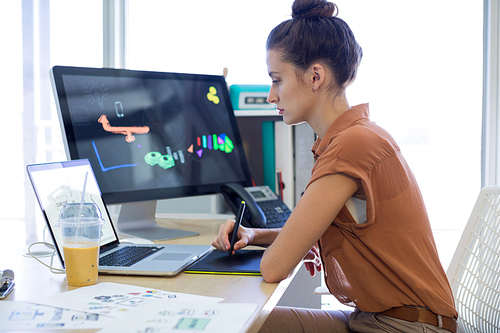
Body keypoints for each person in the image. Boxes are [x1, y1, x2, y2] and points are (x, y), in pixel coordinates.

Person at [212, 0, 460, 332]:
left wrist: (269, 245)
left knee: (236, 323)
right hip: (376, 320)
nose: (272, 96)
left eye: (276, 80)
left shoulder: (351, 147)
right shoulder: (353, 137)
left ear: (315, 76)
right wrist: (253, 234)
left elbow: (275, 268)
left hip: (407, 328)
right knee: (242, 322)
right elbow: (309, 234)